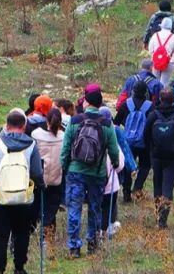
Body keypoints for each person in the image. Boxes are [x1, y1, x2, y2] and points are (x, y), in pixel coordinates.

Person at [0, 109, 44, 274]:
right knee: (22, 234)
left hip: (0, 198)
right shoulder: (32, 145)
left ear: (7, 127)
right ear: (24, 127)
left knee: (1, 236)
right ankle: (19, 268)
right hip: (24, 198)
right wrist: (41, 186)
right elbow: (37, 173)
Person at [61, 90, 120, 258]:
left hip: (75, 171)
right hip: (97, 172)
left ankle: (74, 246)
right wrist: (115, 164)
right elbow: (113, 149)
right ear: (100, 104)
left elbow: (66, 147)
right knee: (95, 208)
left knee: (74, 207)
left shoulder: (74, 121)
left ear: (86, 102)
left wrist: (64, 165)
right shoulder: (107, 124)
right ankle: (92, 242)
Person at [143, 87, 174, 228]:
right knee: (167, 187)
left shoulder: (153, 116)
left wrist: (151, 152)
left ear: (160, 99)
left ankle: (158, 216)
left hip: (157, 157)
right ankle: (162, 220)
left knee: (157, 186)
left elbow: (145, 136)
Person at [113, 80, 153, 202]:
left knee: (127, 166)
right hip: (145, 142)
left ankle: (126, 191)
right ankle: (137, 187)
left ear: (133, 91)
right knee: (145, 165)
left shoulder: (126, 104)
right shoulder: (151, 106)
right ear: (146, 92)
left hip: (128, 141)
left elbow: (116, 122)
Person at [98, 106, 130, 240]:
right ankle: (105, 230)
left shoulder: (89, 136)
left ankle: (94, 229)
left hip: (92, 180)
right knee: (108, 207)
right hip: (110, 182)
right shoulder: (112, 140)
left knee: (95, 206)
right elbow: (120, 164)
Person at [32, 108, 66, 234]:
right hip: (57, 178)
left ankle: (33, 228)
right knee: (51, 208)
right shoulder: (64, 137)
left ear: (47, 120)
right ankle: (48, 235)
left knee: (35, 205)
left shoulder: (36, 135)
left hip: (39, 178)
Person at [149, 19, 174, 86]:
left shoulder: (155, 35)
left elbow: (150, 49)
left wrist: (154, 56)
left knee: (155, 81)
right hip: (169, 62)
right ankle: (163, 92)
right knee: (164, 82)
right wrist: (173, 58)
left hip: (156, 61)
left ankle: (155, 92)